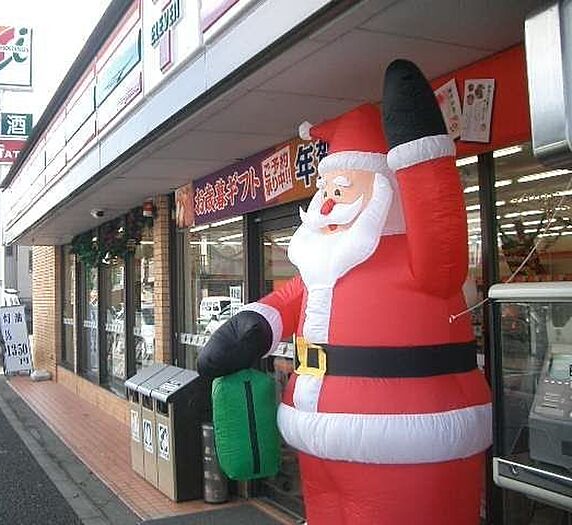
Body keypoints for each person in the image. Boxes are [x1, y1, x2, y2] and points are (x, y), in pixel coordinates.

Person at [197, 61, 491, 525]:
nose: (329, 200)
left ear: (388, 191)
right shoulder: (324, 263)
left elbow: (437, 213)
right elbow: (289, 299)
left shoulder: (422, 260)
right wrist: (251, 327)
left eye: (343, 186)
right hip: (315, 439)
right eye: (326, 188)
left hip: (403, 442)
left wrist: (419, 150)